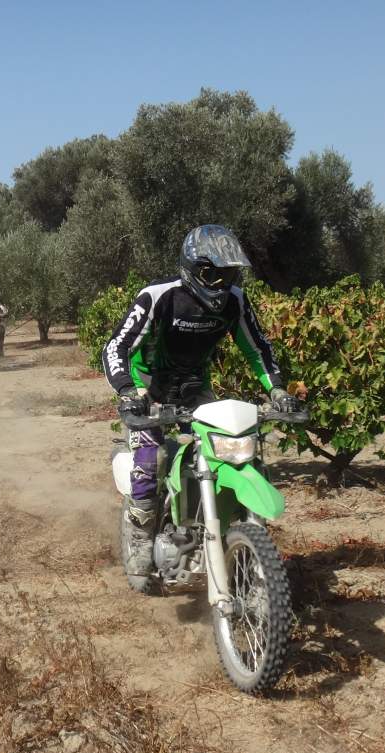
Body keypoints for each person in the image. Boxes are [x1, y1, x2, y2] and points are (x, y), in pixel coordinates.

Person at [103, 224, 300, 579]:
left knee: (229, 449)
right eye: (214, 274)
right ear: (192, 269)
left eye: (230, 274)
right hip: (148, 387)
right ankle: (140, 539)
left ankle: (230, 536)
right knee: (152, 459)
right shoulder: (158, 295)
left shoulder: (236, 301)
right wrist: (128, 392)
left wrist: (278, 391)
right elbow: (117, 345)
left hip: (195, 386)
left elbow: (258, 348)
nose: (223, 283)